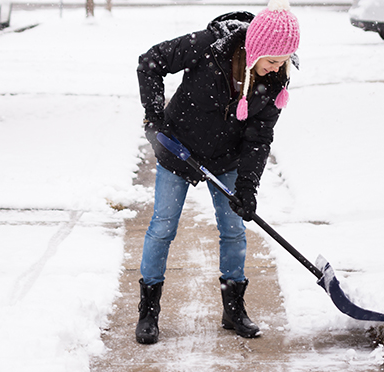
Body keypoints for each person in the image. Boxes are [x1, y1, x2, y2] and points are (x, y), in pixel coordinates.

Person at [134, 0, 300, 345]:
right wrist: (154, 115)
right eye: (272, 60)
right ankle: (148, 311)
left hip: (226, 159)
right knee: (163, 227)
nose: (276, 68)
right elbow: (149, 63)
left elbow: (258, 138)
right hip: (178, 149)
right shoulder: (206, 46)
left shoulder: (275, 82)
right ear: (255, 49)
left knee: (233, 229)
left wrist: (247, 188)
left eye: (284, 62)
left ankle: (234, 309)